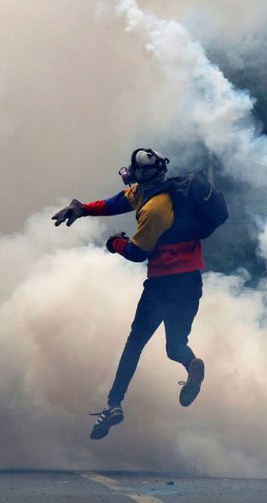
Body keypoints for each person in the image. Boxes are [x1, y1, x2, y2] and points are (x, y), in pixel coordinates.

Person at [52, 148, 206, 440]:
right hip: (192, 282)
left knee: (135, 343)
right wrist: (82, 208)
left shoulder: (154, 209)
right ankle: (192, 364)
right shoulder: (158, 191)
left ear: (142, 176)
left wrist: (114, 243)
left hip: (163, 285)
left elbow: (137, 253)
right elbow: (116, 203)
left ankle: (113, 405)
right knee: (175, 346)